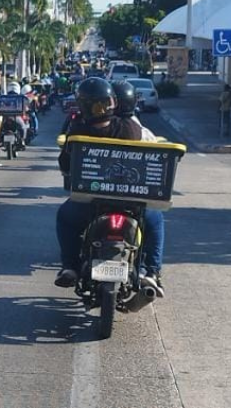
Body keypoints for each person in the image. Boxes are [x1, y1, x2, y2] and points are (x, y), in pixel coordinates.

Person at [55, 77, 166, 297]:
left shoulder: (77, 130)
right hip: (132, 203)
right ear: (112, 103)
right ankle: (152, 271)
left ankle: (70, 267)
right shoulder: (131, 128)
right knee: (155, 220)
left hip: (91, 202)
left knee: (65, 217)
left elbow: (65, 164)